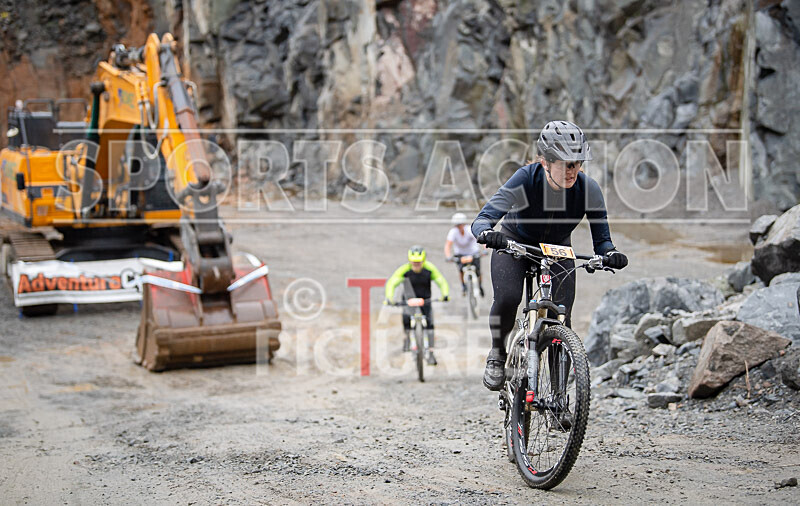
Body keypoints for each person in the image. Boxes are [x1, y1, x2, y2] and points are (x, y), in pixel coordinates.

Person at [472, 120, 628, 391]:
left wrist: (610, 254)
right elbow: (484, 217)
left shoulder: (588, 189)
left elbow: (602, 241)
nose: (572, 171)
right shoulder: (525, 178)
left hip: (558, 249)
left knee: (561, 317)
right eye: (565, 164)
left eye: (577, 164)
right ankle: (497, 352)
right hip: (515, 243)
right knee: (508, 298)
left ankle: (559, 395)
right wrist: (487, 232)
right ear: (545, 162)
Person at [384, 246, 450, 365]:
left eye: (419, 262)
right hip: (409, 300)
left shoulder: (429, 269)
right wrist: (389, 298)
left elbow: (441, 281)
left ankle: (431, 352)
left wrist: (445, 294)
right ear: (410, 261)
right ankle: (407, 338)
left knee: (430, 325)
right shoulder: (404, 270)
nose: (416, 265)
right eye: (414, 262)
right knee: (406, 320)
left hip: (425, 300)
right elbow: (392, 283)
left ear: (423, 261)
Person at [444, 212, 485, 297]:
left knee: (478, 271)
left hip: (473, 252)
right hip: (460, 254)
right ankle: (464, 287)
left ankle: (480, 285)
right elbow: (448, 245)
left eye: (461, 224)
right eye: (457, 225)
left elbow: (480, 238)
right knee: (461, 270)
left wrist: (485, 248)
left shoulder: (469, 230)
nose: (459, 227)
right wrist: (448, 256)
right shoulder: (453, 232)